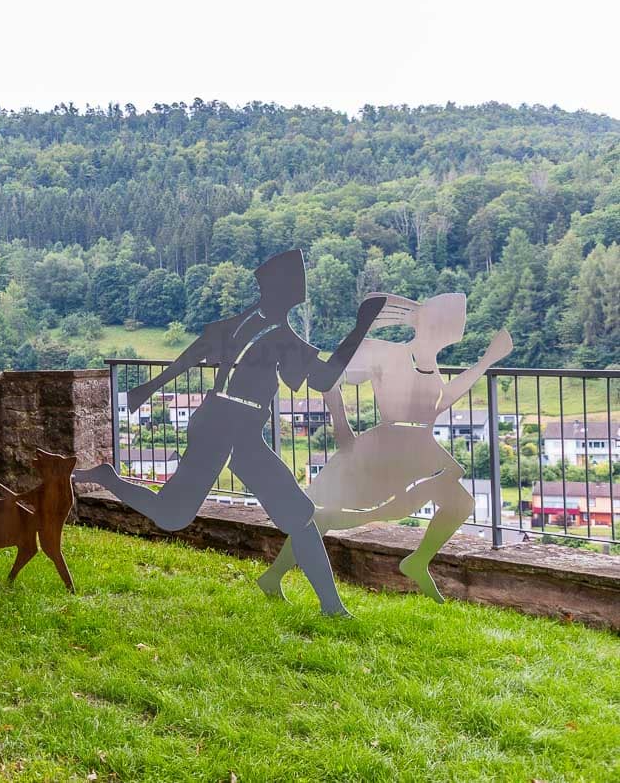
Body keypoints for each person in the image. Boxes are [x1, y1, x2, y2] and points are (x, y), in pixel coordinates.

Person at [77, 250, 384, 615]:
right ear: (286, 292)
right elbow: (324, 378)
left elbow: (191, 356)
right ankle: (108, 478)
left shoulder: (251, 328)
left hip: (237, 428)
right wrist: (361, 326)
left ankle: (332, 607)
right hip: (221, 424)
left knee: (297, 514)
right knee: (173, 516)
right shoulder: (272, 335)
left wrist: (148, 388)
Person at [256, 293, 512, 602]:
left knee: (460, 503)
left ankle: (417, 561)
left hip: (419, 446)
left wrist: (486, 361)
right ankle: (274, 575)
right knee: (336, 515)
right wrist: (341, 425)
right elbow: (328, 378)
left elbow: (441, 400)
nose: (449, 332)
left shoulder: (429, 364)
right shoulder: (386, 353)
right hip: (387, 446)